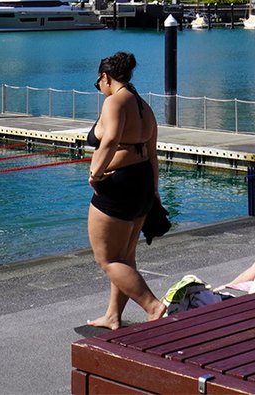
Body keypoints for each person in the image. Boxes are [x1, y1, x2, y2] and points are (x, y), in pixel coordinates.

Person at [85, 51, 165, 329]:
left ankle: (153, 306)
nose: (100, 88)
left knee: (107, 259)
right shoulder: (144, 106)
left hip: (119, 185)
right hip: (142, 183)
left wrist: (95, 174)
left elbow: (110, 140)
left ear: (106, 77)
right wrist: (154, 191)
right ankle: (112, 316)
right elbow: (152, 154)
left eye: (98, 83)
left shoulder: (115, 102)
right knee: (125, 256)